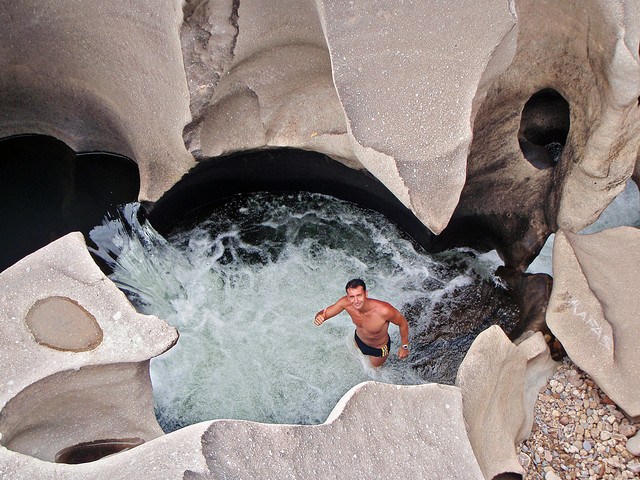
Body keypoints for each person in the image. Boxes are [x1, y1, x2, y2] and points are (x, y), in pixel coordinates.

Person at [314, 278, 410, 367]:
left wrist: (404, 347)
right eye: (352, 297)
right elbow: (324, 313)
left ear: (366, 294)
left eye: (359, 295)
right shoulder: (345, 303)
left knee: (374, 371)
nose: (356, 301)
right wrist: (319, 317)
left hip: (378, 349)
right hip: (358, 340)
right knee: (355, 361)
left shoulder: (384, 310)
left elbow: (402, 323)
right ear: (348, 297)